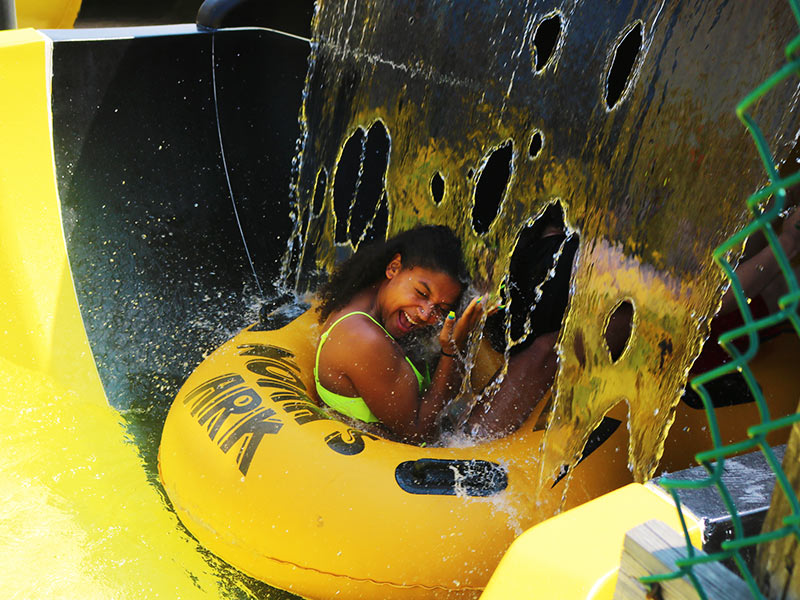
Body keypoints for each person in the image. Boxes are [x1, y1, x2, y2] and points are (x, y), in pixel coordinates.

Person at [313, 225, 558, 443]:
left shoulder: (369, 295)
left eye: (441, 308)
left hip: (409, 429)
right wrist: (452, 350)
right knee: (545, 348)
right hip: (403, 457)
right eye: (421, 293)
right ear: (393, 267)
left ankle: (550, 235)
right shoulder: (363, 339)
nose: (424, 313)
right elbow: (421, 434)